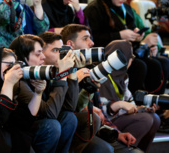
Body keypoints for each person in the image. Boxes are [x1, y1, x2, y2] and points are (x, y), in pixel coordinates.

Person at [62, 24, 145, 153]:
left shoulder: (91, 70)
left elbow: (100, 112)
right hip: (75, 128)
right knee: (104, 148)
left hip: (99, 127)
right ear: (70, 44)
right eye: (85, 38)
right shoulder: (61, 71)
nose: (92, 43)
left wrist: (117, 134)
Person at [9, 34, 79, 153]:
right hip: (20, 133)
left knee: (69, 117)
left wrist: (71, 70)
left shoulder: (41, 71)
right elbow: (49, 114)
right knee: (51, 126)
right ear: (23, 58)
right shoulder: (18, 80)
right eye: (38, 54)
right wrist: (61, 75)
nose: (43, 57)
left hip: (42, 125)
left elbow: (70, 107)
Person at [99, 40, 161, 153]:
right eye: (129, 57)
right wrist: (118, 105)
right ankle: (123, 150)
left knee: (154, 117)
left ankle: (137, 150)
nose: (132, 60)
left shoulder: (123, 77)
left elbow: (130, 103)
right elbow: (99, 112)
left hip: (117, 117)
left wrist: (143, 108)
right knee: (145, 119)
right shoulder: (100, 75)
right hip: (105, 123)